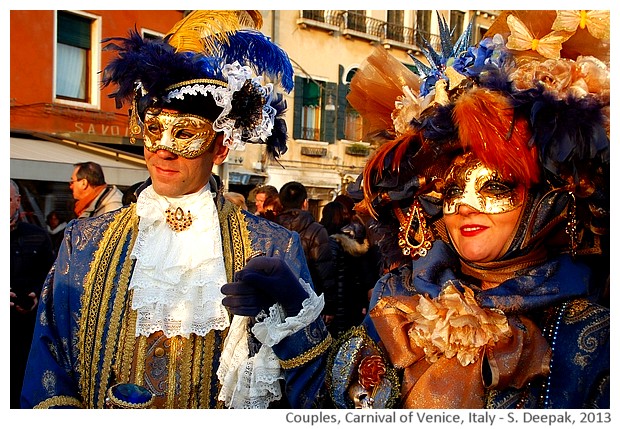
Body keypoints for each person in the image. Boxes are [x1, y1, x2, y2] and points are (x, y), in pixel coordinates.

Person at [223, 10, 609, 409]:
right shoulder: (401, 301)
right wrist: (294, 311)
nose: (463, 206)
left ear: (551, 198)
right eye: (453, 189)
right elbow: (330, 405)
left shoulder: (590, 334)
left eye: (495, 186)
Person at [21, 10, 330, 409]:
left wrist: (293, 316)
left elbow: (310, 395)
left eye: (185, 133)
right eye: (154, 129)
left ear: (221, 147)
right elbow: (48, 372)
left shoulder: (273, 248)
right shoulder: (83, 243)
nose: (164, 148)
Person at [10, 180, 55, 409]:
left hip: (28, 327)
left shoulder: (37, 235)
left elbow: (51, 275)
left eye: (8, 200)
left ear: (18, 202)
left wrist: (37, 294)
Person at [276, 181, 337, 324]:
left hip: (277, 297)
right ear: (305, 203)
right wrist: (329, 306)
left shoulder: (271, 227)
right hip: (308, 300)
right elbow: (324, 270)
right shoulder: (316, 230)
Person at [320, 201, 377, 337]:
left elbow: (329, 276)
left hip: (338, 301)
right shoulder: (351, 243)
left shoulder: (327, 241)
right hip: (349, 301)